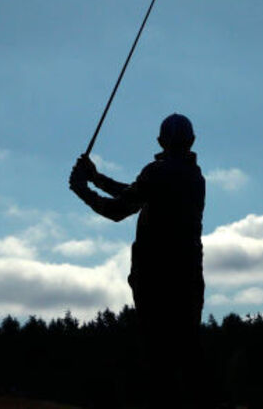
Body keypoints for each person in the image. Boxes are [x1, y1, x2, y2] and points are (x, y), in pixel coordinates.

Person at [68, 113, 206, 407]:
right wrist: (96, 178)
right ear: (192, 141)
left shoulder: (156, 173)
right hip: (188, 281)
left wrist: (83, 190)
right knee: (185, 358)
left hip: (154, 280)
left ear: (160, 141)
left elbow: (119, 209)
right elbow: (137, 194)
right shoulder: (195, 177)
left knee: (157, 360)